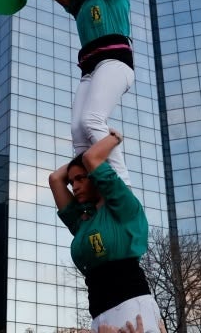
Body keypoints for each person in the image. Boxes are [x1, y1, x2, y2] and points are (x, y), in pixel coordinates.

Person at [49, 130, 165, 333]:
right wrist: (79, 162)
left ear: (96, 177)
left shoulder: (123, 206)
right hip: (99, 312)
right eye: (72, 181)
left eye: (80, 179)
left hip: (130, 304)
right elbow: (55, 179)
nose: (74, 186)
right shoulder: (84, 221)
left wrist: (114, 139)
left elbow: (91, 158)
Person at [46, 0, 132, 183]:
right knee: (78, 131)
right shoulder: (79, 6)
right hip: (90, 71)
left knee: (92, 120)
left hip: (114, 62)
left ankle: (122, 181)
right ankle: (90, 183)